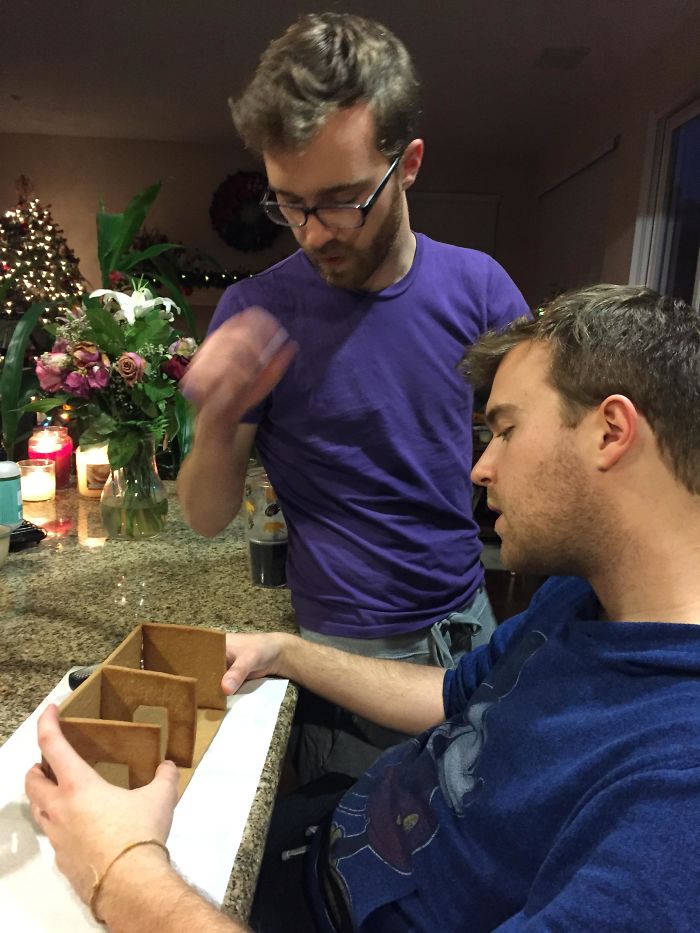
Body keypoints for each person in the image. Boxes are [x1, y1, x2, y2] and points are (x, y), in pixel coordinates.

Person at [27, 284, 700, 931]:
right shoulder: (579, 600)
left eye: (505, 430)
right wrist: (285, 650)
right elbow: (452, 692)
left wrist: (119, 871)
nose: (480, 467)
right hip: (327, 852)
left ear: (611, 431)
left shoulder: (677, 791)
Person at [176, 12, 529, 781]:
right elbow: (204, 517)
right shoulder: (255, 313)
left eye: (340, 199)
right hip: (335, 654)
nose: (312, 232)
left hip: (467, 628)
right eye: (289, 203)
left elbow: (544, 455)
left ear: (408, 165)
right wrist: (212, 420)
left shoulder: (482, 289)